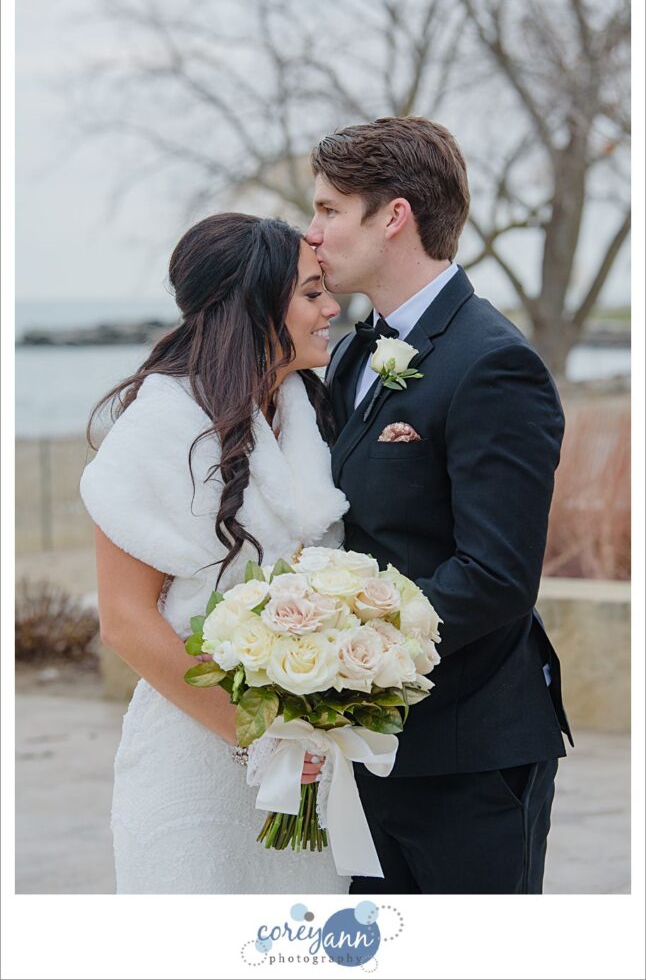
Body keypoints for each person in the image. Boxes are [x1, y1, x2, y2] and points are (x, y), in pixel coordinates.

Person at [305, 116, 574, 895]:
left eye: (328, 209)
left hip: (468, 754)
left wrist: (346, 654)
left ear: (393, 217)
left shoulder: (495, 363)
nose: (312, 233)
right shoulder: (353, 350)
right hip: (370, 746)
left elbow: (495, 575)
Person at [80, 213, 350, 894]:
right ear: (255, 305)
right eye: (311, 293)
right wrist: (262, 733)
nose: (332, 308)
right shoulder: (159, 425)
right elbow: (125, 620)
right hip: (194, 762)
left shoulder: (311, 417)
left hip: (308, 770)